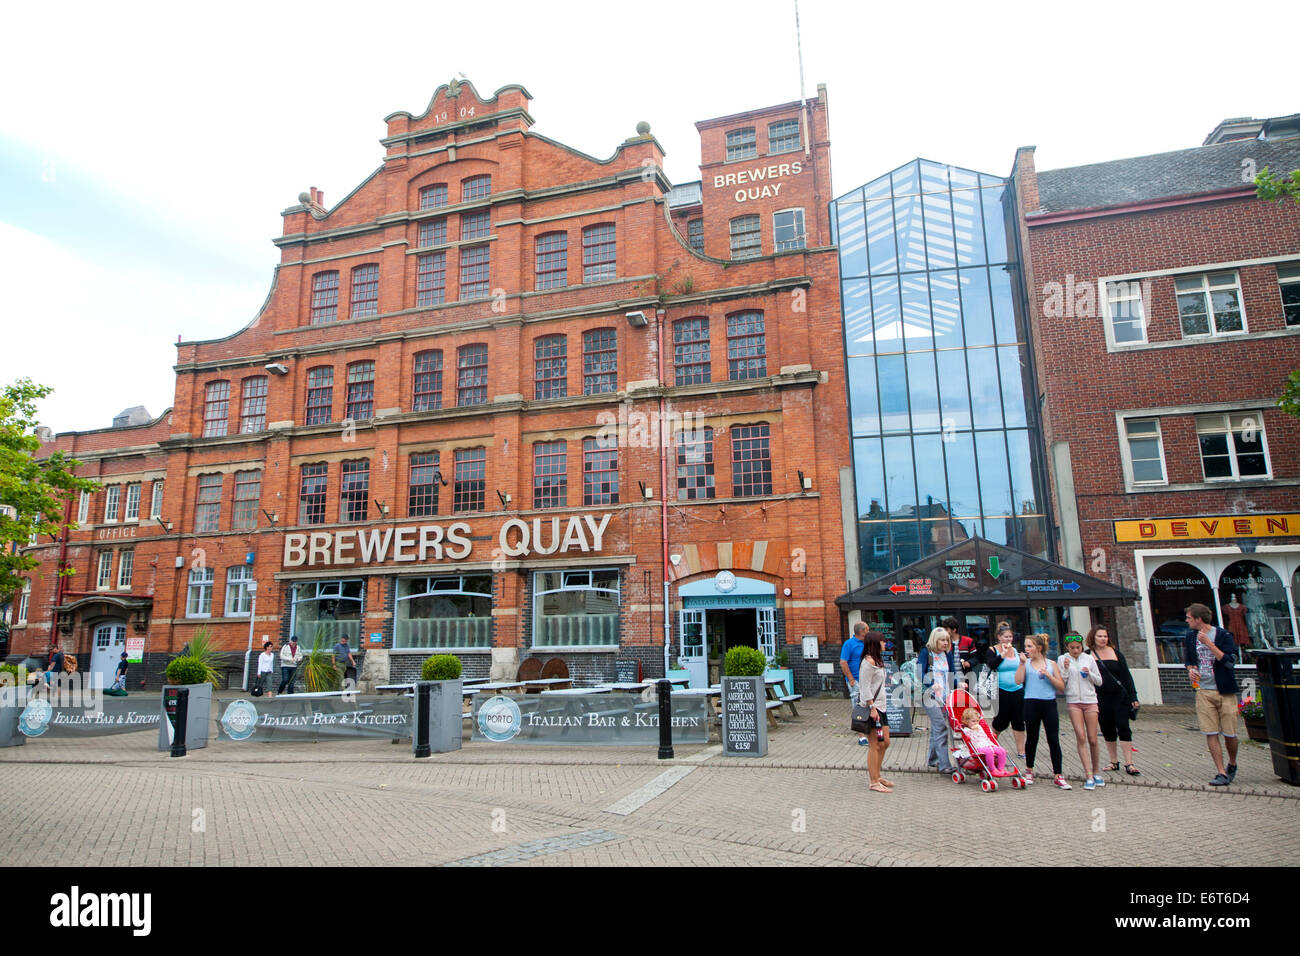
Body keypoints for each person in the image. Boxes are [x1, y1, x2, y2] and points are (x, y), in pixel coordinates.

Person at [1183, 603, 1239, 786]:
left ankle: (1232, 763)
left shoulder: (1223, 635)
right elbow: (1190, 661)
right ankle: (1221, 772)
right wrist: (1191, 671)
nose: (1187, 621)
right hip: (1203, 690)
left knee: (1230, 734)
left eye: (1189, 618)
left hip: (1225, 690)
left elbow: (1230, 661)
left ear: (1199, 619)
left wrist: (1209, 644)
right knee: (1211, 732)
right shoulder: (1190, 637)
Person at [1017, 633, 1070, 789]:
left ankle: (1058, 774)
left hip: (1049, 703)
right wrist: (1021, 664)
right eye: (1026, 646)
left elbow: (1061, 687)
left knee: (1053, 739)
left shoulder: (1051, 664)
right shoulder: (1026, 664)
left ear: (1038, 648)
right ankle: (1029, 770)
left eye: (1029, 646)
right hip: (1031, 702)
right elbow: (1018, 681)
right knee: (1032, 737)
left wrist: (1049, 676)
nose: (1026, 649)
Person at [1087, 625, 1140, 776]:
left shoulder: (1116, 653)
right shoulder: (1088, 655)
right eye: (1099, 636)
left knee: (1123, 726)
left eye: (1105, 636)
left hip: (1119, 696)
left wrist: (1133, 696)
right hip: (1100, 697)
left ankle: (1129, 763)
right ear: (1093, 638)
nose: (1103, 639)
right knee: (1107, 728)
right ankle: (1113, 761)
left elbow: (1126, 676)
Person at [1058, 633, 1104, 789]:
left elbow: (1099, 681)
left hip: (1090, 700)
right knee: (1081, 737)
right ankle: (1088, 774)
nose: (1075, 651)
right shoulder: (1062, 659)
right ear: (1067, 648)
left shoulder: (1089, 659)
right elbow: (1061, 683)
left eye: (1077, 648)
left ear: (1082, 647)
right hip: (1073, 701)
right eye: (1072, 648)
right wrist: (1064, 669)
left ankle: (1096, 771)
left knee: (1093, 738)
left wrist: (1089, 673)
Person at [917, 626, 958, 773]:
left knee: (937, 728)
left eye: (947, 640)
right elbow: (919, 672)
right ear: (935, 640)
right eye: (942, 640)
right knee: (941, 727)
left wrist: (960, 684)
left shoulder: (947, 655)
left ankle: (932, 760)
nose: (945, 643)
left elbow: (952, 674)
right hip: (930, 696)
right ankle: (944, 765)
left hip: (945, 696)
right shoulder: (926, 652)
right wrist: (930, 684)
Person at [859, 631, 893, 793]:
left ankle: (877, 775)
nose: (885, 643)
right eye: (882, 641)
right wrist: (871, 707)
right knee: (875, 744)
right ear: (874, 643)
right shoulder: (867, 662)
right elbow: (864, 687)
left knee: (885, 742)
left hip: (881, 707)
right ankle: (873, 781)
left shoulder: (877, 661)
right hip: (873, 709)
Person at [986, 626, 1026, 759]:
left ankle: (1021, 751)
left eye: (1010, 637)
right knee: (1001, 720)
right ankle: (990, 745)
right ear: (999, 637)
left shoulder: (1015, 650)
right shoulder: (992, 650)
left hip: (1017, 689)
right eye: (1005, 637)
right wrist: (1002, 654)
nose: (1008, 639)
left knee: (1018, 720)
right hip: (1000, 690)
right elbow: (991, 665)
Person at [840, 621, 868, 745]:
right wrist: (851, 679)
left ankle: (870, 731)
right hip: (856, 680)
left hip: (867, 680)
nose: (869, 631)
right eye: (867, 629)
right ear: (861, 632)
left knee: (869, 705)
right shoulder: (849, 644)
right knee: (858, 707)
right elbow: (843, 662)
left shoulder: (867, 643)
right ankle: (862, 736)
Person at [959, 708, 1007, 773]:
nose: (976, 723)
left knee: (1002, 750)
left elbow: (985, 736)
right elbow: (972, 740)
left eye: (977, 721)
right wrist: (973, 731)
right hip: (977, 747)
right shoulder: (966, 730)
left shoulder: (979, 727)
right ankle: (993, 769)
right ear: (967, 722)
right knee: (989, 751)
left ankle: (1001, 769)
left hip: (987, 744)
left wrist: (986, 733)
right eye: (973, 721)